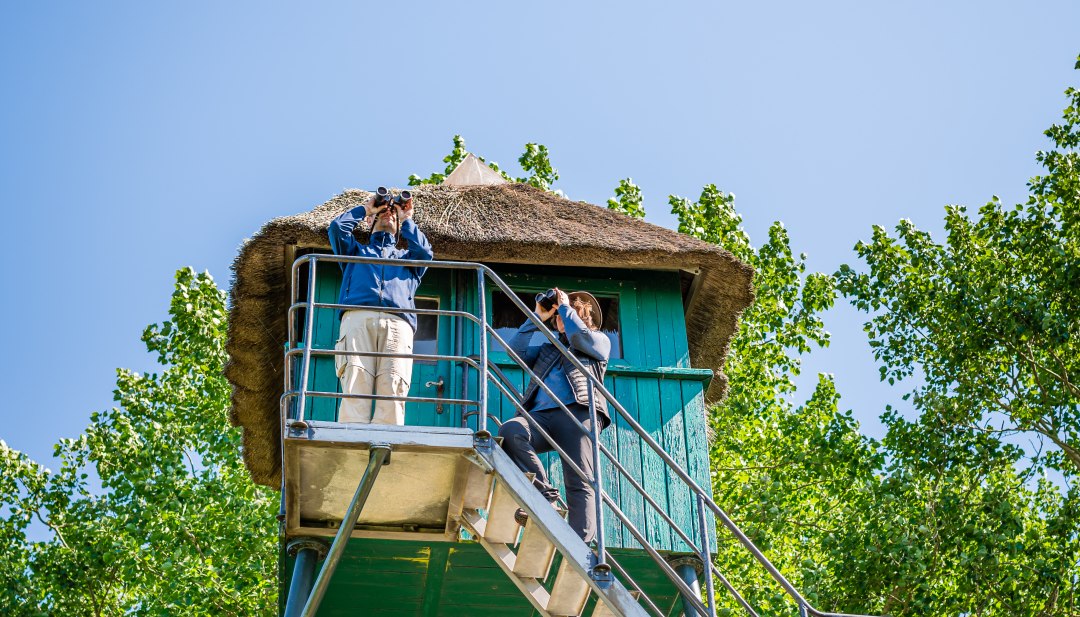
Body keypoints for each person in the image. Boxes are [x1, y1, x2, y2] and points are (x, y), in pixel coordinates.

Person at [498, 288, 611, 542]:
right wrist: (536, 317)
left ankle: (580, 543)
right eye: (557, 315)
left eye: (564, 313)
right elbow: (514, 349)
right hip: (541, 416)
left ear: (580, 315)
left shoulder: (598, 341)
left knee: (580, 478)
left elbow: (580, 338)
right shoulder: (548, 349)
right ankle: (544, 496)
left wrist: (564, 306)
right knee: (511, 431)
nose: (558, 317)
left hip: (578, 412)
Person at [327, 190, 433, 425]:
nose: (388, 216)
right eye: (383, 213)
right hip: (357, 318)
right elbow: (337, 229)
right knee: (355, 375)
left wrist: (406, 218)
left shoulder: (409, 259)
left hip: (398, 323)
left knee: (394, 380)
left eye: (392, 215)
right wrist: (366, 209)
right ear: (370, 222)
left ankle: (388, 438)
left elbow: (425, 252)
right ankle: (351, 434)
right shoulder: (354, 252)